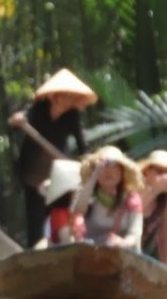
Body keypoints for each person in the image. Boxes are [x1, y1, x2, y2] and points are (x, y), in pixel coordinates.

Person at [9, 68, 97, 246]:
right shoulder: (39, 109)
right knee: (35, 221)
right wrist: (18, 120)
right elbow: (20, 120)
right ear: (54, 96)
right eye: (66, 95)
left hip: (58, 173)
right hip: (33, 172)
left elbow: (82, 143)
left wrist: (89, 161)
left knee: (59, 216)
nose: (69, 99)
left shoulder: (72, 115)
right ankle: (35, 253)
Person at [72, 146, 145, 250]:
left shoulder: (132, 199)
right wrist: (94, 174)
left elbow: (135, 233)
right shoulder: (86, 195)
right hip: (89, 254)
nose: (108, 171)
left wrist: (122, 243)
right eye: (104, 166)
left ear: (122, 172)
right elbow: (77, 212)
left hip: (121, 256)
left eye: (114, 166)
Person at [137, 150, 167, 268]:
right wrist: (155, 189)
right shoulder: (134, 192)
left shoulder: (166, 201)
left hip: (140, 253)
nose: (165, 177)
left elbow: (164, 238)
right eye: (159, 171)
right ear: (147, 172)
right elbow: (131, 215)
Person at [37, 158, 84, 247]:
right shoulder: (59, 214)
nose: (80, 191)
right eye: (77, 190)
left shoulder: (76, 212)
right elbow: (66, 241)